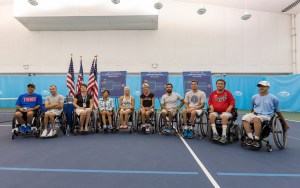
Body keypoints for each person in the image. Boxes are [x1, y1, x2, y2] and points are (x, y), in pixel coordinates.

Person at [242, 81, 289, 148]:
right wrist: (250, 114)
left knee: (256, 118)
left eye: (263, 86)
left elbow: (278, 111)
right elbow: (253, 108)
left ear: (268, 87)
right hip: (255, 114)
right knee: (245, 118)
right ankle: (251, 138)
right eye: (260, 86)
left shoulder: (273, 98)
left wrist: (285, 123)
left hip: (267, 116)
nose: (261, 87)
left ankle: (257, 140)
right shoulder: (254, 97)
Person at [208, 79, 235, 144]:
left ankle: (224, 135)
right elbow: (210, 102)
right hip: (216, 111)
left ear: (224, 85)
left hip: (225, 112)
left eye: (221, 84)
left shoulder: (227, 93)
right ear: (216, 85)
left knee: (224, 117)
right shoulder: (213, 93)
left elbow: (232, 101)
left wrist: (230, 107)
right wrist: (211, 108)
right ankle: (215, 133)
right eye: (218, 83)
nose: (220, 85)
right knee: (211, 115)